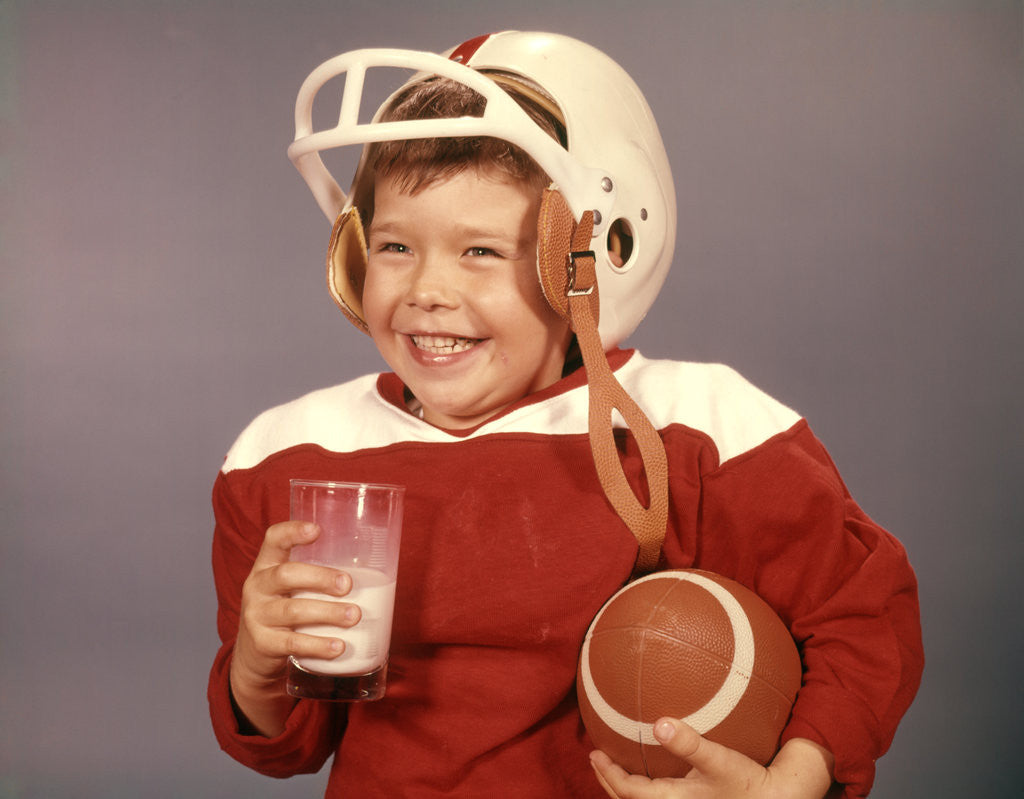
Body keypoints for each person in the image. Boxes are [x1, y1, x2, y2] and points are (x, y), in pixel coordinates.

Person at [208, 31, 922, 798]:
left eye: (479, 251)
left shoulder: (698, 432)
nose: (425, 291)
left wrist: (796, 777)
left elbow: (863, 613)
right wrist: (256, 663)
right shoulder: (289, 456)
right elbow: (285, 744)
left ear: (585, 255)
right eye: (393, 246)